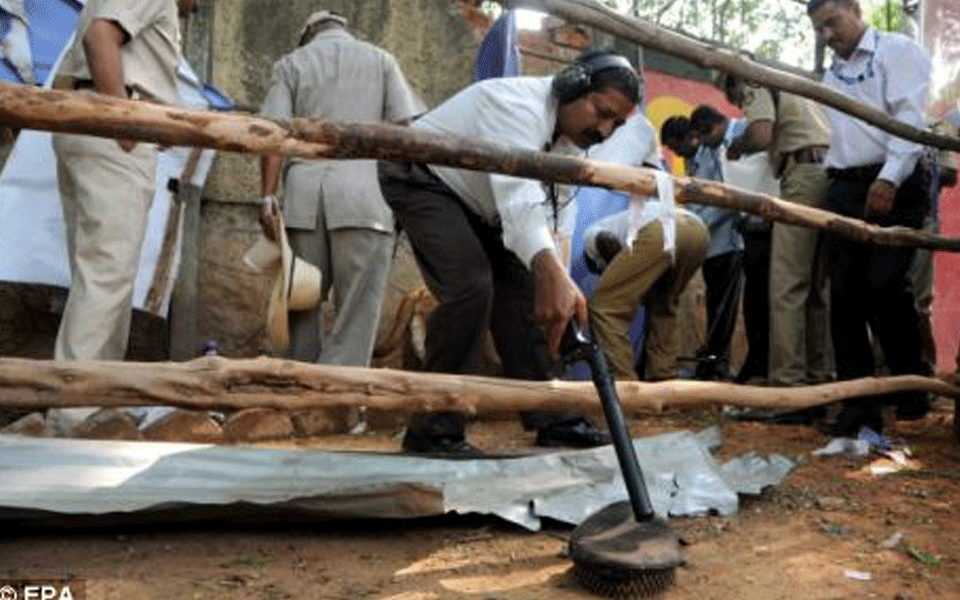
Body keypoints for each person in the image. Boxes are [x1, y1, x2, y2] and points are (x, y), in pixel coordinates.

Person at [377, 50, 640, 455]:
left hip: (482, 202)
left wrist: (556, 279)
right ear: (573, 85)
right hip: (423, 175)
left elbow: (552, 217)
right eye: (601, 112)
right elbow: (518, 200)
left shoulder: (570, 144)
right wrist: (549, 272)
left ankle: (556, 417)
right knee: (471, 286)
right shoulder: (516, 107)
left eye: (616, 124)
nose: (605, 130)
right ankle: (433, 428)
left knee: (522, 295)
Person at [258, 10, 420, 366]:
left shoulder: (291, 63)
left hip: (304, 198)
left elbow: (273, 136)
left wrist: (267, 198)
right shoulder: (382, 61)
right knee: (358, 309)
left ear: (309, 35)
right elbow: (403, 130)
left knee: (301, 300)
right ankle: (339, 401)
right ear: (344, 30)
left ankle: (301, 394)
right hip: (365, 196)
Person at [808, 0, 933, 434]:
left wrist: (891, 178)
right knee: (844, 297)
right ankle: (856, 407)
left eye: (832, 23)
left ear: (855, 9)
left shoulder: (898, 51)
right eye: (819, 29)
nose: (827, 35)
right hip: (845, 185)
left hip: (897, 181)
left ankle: (910, 384)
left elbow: (909, 121)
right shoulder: (831, 73)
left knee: (884, 285)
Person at [51, 0, 201, 360]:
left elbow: (62, 79)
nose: (197, 7)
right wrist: (126, 125)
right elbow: (100, 36)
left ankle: (96, 394)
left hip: (87, 124)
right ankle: (75, 410)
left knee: (101, 277)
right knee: (107, 276)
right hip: (112, 133)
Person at [576, 112, 709, 381]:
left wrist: (618, 275)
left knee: (605, 304)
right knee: (663, 305)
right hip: (696, 230)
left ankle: (624, 384)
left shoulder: (594, 236)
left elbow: (610, 247)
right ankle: (663, 379)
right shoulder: (623, 222)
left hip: (662, 230)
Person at [722, 74, 833, 388]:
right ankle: (819, 376)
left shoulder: (755, 82)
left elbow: (761, 135)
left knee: (786, 283)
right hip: (829, 174)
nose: (743, 108)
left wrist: (736, 147)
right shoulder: (798, 87)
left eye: (739, 103)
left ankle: (787, 382)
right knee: (816, 286)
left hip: (801, 174)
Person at [686, 105, 747, 381]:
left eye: (702, 135)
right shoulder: (708, 150)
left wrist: (696, 225)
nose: (699, 142)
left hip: (730, 242)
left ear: (716, 125)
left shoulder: (741, 136)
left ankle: (716, 365)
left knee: (724, 309)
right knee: (714, 306)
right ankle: (712, 364)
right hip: (711, 244)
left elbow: (727, 200)